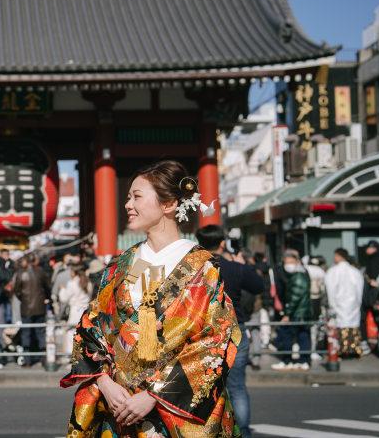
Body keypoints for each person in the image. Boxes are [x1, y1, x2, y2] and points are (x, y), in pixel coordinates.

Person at [63, 161, 240, 438]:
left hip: (171, 407)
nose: (128, 205)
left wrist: (154, 395)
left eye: (136, 196)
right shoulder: (122, 264)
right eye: (128, 197)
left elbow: (215, 340)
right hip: (118, 401)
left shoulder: (202, 267)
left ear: (168, 204)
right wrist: (104, 381)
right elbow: (93, 322)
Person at [196, 227, 263, 438]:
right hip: (235, 329)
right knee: (237, 386)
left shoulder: (196, 268)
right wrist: (240, 262)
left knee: (206, 386)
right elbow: (258, 286)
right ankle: (243, 432)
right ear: (222, 243)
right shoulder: (235, 268)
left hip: (204, 332)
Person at [271, 251, 312, 371]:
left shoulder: (298, 276)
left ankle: (287, 360)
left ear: (298, 262)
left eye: (291, 262)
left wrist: (287, 314)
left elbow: (294, 297)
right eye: (286, 262)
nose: (288, 265)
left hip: (297, 313)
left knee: (287, 335)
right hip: (302, 312)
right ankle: (304, 361)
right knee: (303, 336)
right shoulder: (300, 274)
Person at [324, 248, 364, 357]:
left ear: (337, 256)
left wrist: (332, 303)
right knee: (352, 325)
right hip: (353, 303)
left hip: (337, 302)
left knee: (339, 326)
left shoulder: (332, 271)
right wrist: (357, 302)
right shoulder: (355, 271)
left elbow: (330, 289)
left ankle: (340, 350)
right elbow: (359, 289)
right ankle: (354, 349)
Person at [13, 253, 51, 367]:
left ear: (25, 261)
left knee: (26, 333)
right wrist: (45, 298)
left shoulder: (20, 274)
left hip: (26, 308)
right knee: (40, 333)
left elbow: (17, 291)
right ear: (35, 261)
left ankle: (27, 361)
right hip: (39, 307)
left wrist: (23, 299)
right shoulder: (41, 273)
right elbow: (47, 288)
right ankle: (44, 359)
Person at [58, 264, 91, 360]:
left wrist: (62, 290)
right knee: (82, 334)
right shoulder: (87, 282)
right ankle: (82, 356)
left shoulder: (72, 283)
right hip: (84, 311)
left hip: (75, 311)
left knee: (70, 333)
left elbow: (64, 298)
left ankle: (71, 356)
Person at [360, 240, 379, 355]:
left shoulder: (375, 259)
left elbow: (373, 279)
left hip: (373, 294)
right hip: (377, 294)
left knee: (365, 318)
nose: (366, 250)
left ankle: (366, 343)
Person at [305, 256, 327, 361]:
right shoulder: (320, 271)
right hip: (316, 301)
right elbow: (324, 288)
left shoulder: (304, 269)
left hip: (305, 301)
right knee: (315, 327)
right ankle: (313, 350)